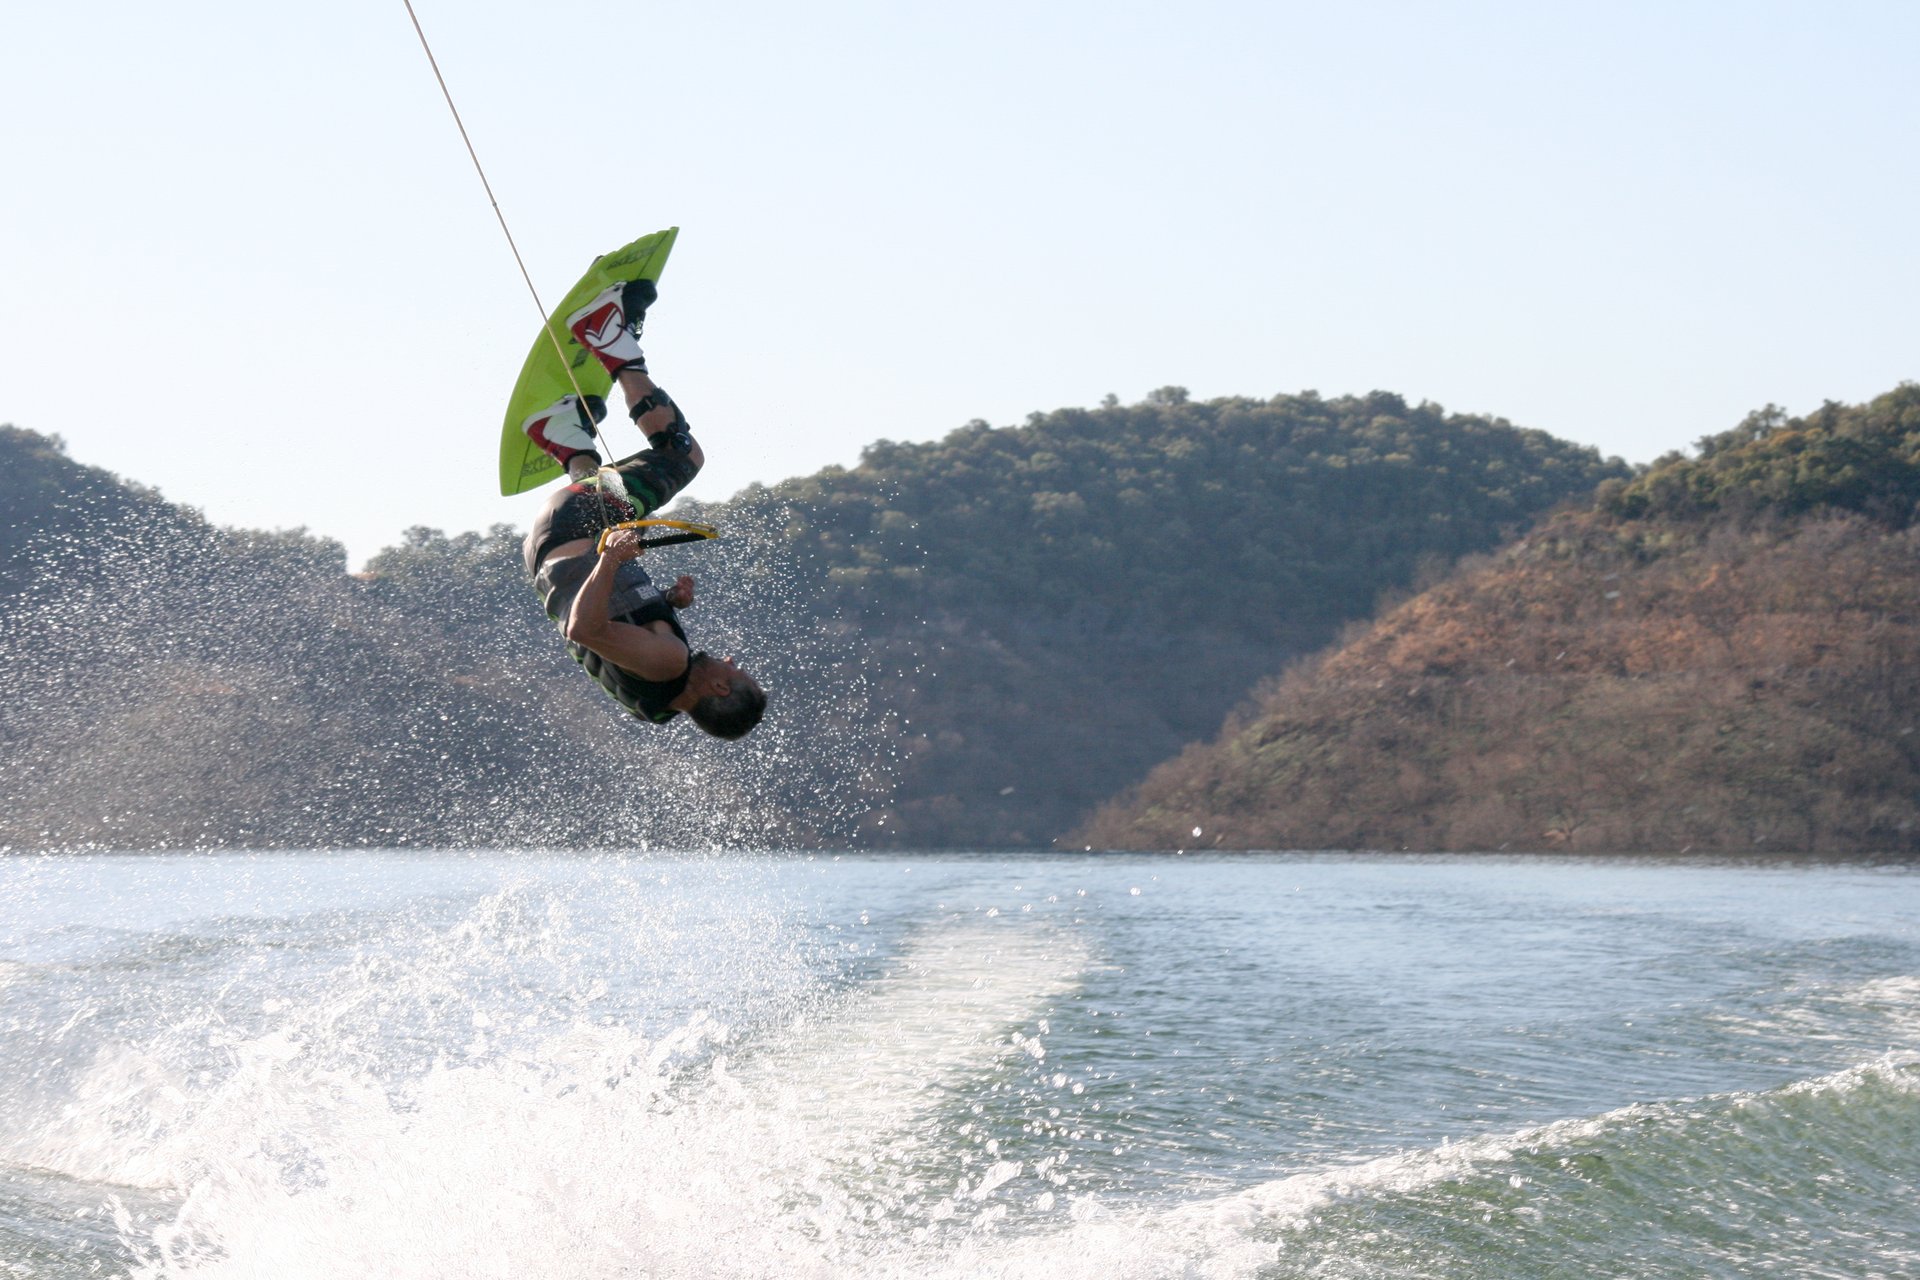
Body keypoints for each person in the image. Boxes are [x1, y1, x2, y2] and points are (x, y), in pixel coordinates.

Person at [519, 279, 766, 738]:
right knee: (623, 508)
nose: (732, 662)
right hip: (558, 541)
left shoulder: (669, 663)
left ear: (716, 687)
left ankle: (606, 334)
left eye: (735, 673)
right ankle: (563, 436)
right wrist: (666, 604)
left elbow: (584, 629)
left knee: (682, 456)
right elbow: (615, 633)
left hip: (574, 526)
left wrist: (612, 558)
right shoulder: (655, 705)